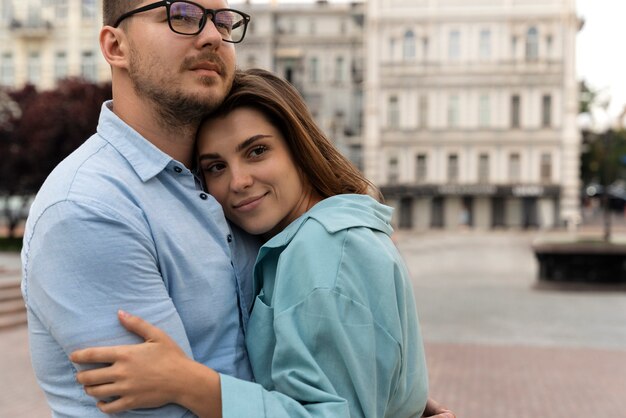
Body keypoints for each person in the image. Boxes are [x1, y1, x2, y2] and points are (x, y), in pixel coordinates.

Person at [71, 69, 456, 418]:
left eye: (257, 151)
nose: (238, 181)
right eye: (216, 167)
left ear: (298, 148)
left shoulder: (322, 249)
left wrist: (188, 384)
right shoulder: (325, 236)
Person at [20, 1, 258, 416]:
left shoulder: (233, 184)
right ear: (115, 46)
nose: (213, 37)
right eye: (181, 15)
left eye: (223, 21)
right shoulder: (87, 208)